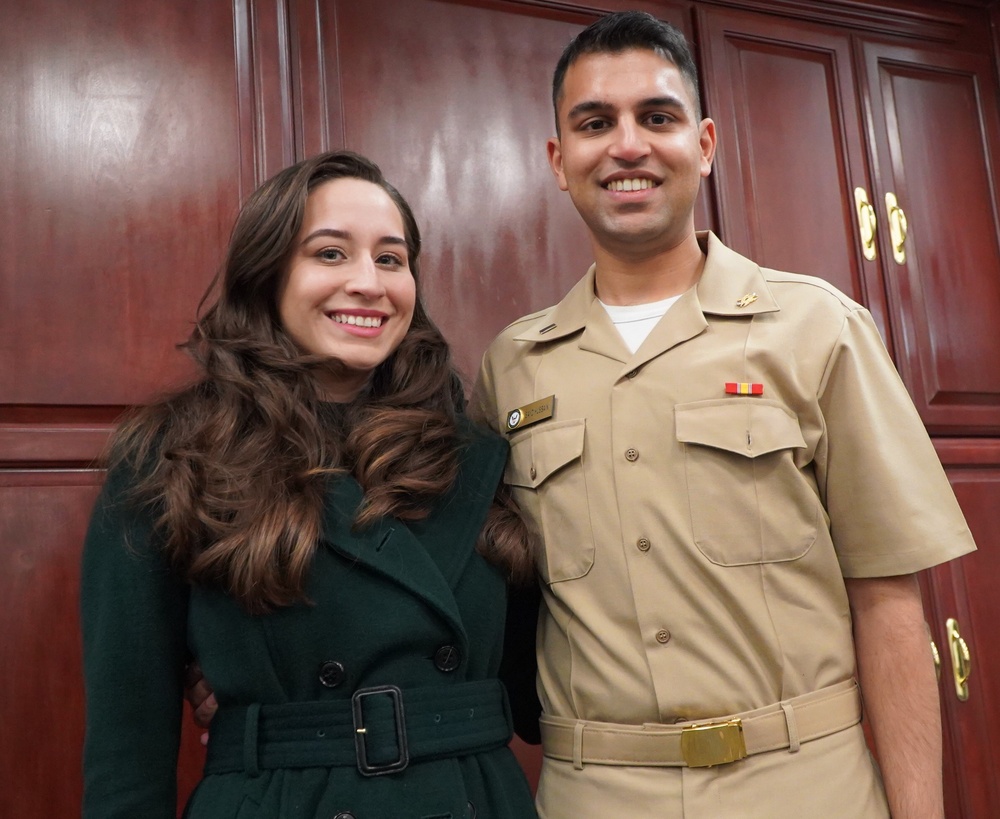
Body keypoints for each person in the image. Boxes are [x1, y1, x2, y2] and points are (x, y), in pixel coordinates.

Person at [472, 11, 976, 819]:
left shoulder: (818, 327)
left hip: (804, 788)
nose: (628, 145)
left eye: (658, 117)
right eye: (596, 123)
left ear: (704, 145)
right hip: (592, 795)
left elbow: (888, 601)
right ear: (559, 162)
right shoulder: (511, 366)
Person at [80, 150, 539, 819]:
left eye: (390, 258)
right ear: (267, 275)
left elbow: (542, 690)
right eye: (329, 254)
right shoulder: (173, 454)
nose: (368, 282)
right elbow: (128, 746)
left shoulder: (476, 454)